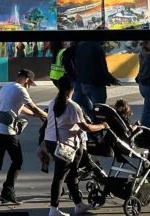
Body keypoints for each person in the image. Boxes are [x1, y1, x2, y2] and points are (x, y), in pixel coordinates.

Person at [44, 77, 107, 216]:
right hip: (66, 145)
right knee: (59, 177)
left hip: (51, 142)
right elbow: (86, 127)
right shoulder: (72, 106)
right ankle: (53, 209)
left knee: (71, 175)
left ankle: (79, 204)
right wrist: (102, 126)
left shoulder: (53, 102)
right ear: (70, 89)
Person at [0, 68, 48, 206]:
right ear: (27, 80)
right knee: (17, 161)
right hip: (6, 131)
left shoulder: (7, 86)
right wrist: (47, 116)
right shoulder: (21, 89)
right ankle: (8, 191)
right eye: (30, 83)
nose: (29, 86)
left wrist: (37, 115)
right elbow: (33, 108)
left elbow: (20, 108)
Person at [73, 41, 119, 117]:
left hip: (84, 82)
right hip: (96, 83)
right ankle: (97, 125)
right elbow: (102, 68)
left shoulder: (81, 47)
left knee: (92, 106)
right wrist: (112, 80)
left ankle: (93, 122)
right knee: (99, 108)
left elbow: (77, 66)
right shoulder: (97, 48)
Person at [135, 40, 150, 128]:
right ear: (145, 44)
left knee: (149, 109)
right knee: (148, 110)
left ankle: (147, 128)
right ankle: (145, 130)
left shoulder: (142, 53)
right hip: (148, 84)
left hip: (142, 83)